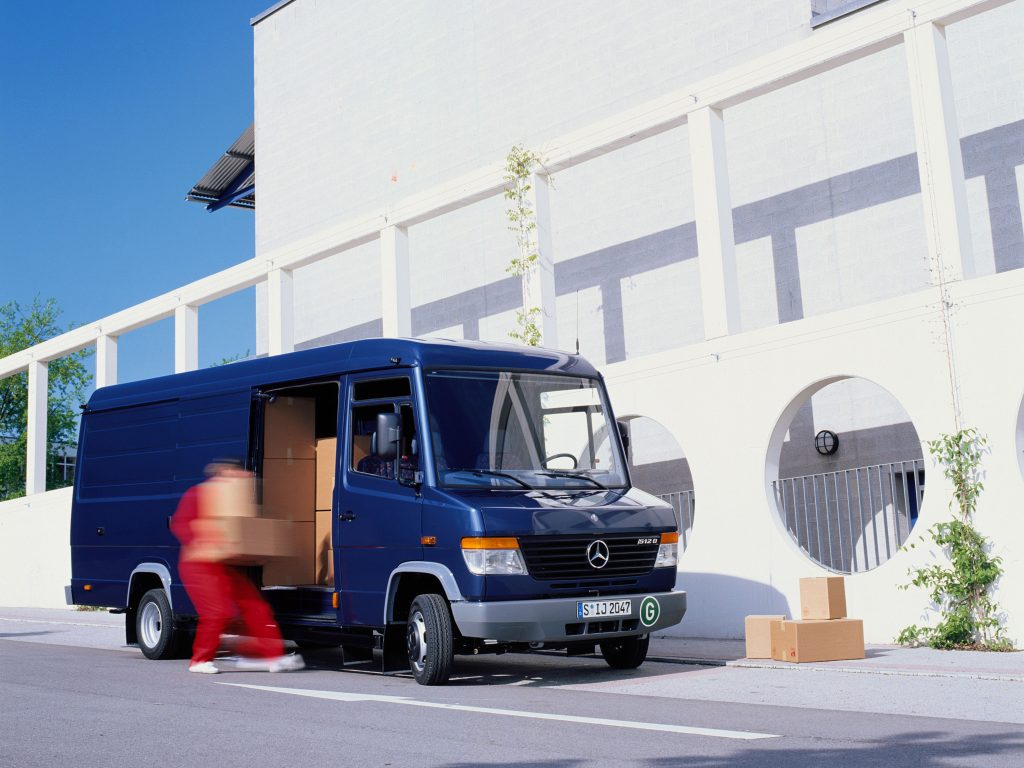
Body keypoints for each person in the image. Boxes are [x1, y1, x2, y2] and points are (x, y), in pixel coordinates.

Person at [171, 460, 304, 674]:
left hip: (223, 564)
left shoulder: (237, 497)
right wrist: (203, 540)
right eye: (238, 471)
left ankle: (272, 657)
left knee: (256, 608)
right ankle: (199, 660)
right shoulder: (200, 493)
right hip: (199, 564)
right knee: (218, 612)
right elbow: (181, 524)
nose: (245, 475)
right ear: (225, 471)